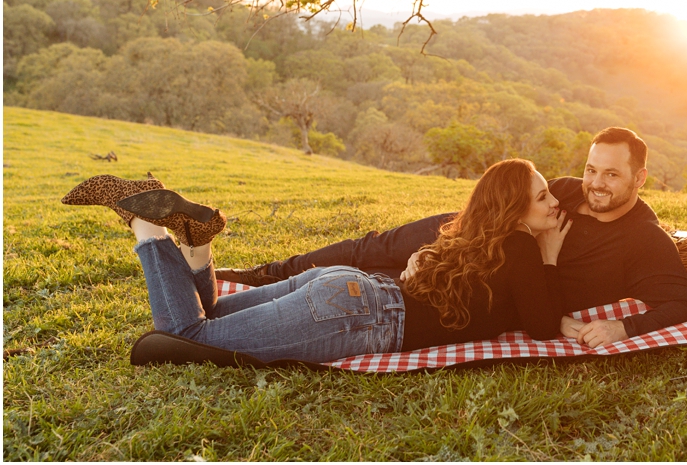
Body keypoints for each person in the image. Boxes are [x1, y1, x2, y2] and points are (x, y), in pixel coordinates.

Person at [218, 127, 687, 348]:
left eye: (612, 176)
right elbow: (505, 205)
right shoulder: (563, 192)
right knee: (378, 247)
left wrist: (624, 329)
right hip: (468, 239)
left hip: (482, 285)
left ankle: (295, 295)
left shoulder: (644, 239)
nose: (594, 184)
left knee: (376, 281)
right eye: (590, 169)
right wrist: (434, 251)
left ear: (640, 178)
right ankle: (267, 275)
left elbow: (685, 304)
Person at [60, 159, 571, 364]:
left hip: (347, 287)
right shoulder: (523, 247)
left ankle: (197, 243)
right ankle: (145, 221)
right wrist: (549, 258)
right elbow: (544, 328)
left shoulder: (468, 236)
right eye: (543, 197)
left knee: (209, 315)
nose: (553, 205)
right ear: (514, 208)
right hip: (359, 314)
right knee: (184, 335)